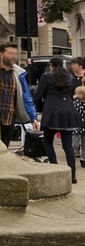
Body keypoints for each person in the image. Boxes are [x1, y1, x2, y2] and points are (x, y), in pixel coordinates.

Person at [33, 55, 80, 183]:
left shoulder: (47, 76)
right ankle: (72, 175)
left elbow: (38, 95)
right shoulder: (70, 77)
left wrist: (40, 108)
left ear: (51, 65)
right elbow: (71, 94)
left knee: (48, 142)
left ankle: (54, 168)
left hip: (51, 112)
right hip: (68, 112)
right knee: (67, 145)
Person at [0, 41, 38, 146]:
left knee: (4, 150)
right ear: (1, 54)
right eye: (10, 54)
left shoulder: (18, 74)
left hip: (9, 119)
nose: (13, 57)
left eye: (15, 54)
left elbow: (26, 97)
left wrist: (33, 118)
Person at [74, 85, 85, 170]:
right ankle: (72, 158)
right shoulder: (75, 103)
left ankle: (83, 159)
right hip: (76, 126)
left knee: (84, 144)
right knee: (75, 143)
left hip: (83, 125)